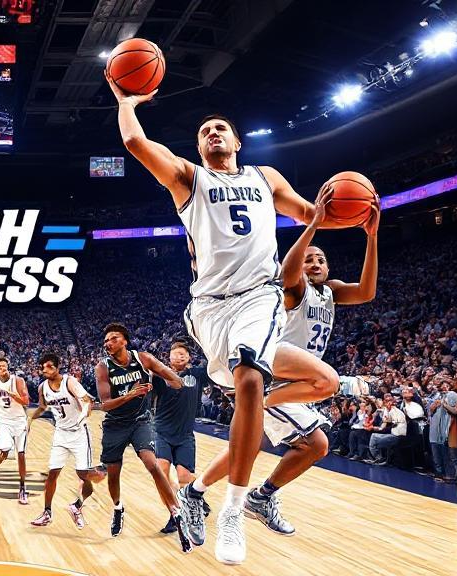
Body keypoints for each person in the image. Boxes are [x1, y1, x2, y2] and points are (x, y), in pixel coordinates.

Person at [107, 74, 340, 564]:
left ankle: (233, 509)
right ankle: (203, 485)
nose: (213, 134)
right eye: (204, 131)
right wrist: (127, 101)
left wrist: (359, 215)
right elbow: (133, 140)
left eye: (220, 129)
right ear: (198, 146)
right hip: (210, 309)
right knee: (289, 381)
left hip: (259, 296)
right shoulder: (189, 178)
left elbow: (310, 214)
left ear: (237, 141)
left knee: (297, 379)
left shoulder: (266, 177)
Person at [180, 189, 377, 539]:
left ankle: (223, 494)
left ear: (329, 269)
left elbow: (366, 292)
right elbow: (288, 272)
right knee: (320, 412)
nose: (314, 264)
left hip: (294, 378)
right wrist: (312, 226)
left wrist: (371, 237)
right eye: (309, 260)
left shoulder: (330, 292)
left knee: (272, 443)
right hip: (272, 368)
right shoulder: (295, 289)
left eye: (321, 260)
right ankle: (245, 487)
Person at [94, 323, 191, 553]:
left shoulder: (143, 359)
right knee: (113, 474)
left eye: (113, 338)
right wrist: (130, 395)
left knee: (152, 464)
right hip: (115, 425)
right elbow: (105, 405)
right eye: (106, 340)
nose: (108, 343)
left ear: (125, 341)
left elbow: (169, 376)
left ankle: (177, 514)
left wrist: (178, 383)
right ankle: (118, 508)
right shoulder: (103, 367)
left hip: (140, 422)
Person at [27, 353, 106, 530]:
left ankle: (77, 506)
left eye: (49, 366)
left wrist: (84, 414)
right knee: (52, 474)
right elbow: (42, 406)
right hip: (61, 434)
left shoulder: (69, 382)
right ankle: (47, 512)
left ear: (57, 367)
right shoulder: (42, 388)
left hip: (79, 433)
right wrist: (30, 420)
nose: (45, 370)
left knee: (83, 475)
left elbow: (87, 400)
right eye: (43, 367)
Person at [153, 342, 212, 534]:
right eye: (176, 354)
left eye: (183, 354)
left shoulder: (197, 374)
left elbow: (215, 366)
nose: (180, 356)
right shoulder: (161, 377)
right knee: (162, 472)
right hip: (162, 432)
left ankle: (196, 496)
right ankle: (174, 514)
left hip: (185, 435)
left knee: (185, 477)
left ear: (189, 358)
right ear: (169, 358)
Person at [0, 357, 31, 504]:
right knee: (4, 451)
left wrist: (16, 396)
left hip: (19, 420)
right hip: (2, 421)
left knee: (21, 453)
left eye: (4, 366)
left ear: (8, 367)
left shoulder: (17, 381)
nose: (1, 368)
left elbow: (27, 402)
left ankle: (22, 487)